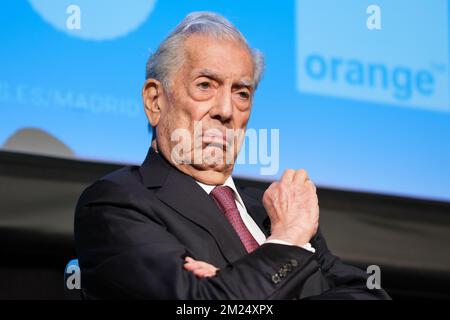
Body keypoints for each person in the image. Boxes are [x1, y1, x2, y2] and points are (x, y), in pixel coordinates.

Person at [74, 12, 390, 300]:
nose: (226, 111)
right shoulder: (117, 203)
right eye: (205, 85)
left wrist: (230, 285)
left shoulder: (271, 214)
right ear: (155, 101)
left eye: (241, 93)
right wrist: (287, 241)